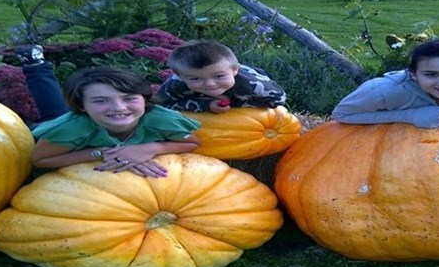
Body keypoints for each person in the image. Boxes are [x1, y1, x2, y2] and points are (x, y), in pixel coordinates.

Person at [20, 62, 201, 178]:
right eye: (101, 100)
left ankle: (36, 66)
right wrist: (101, 153)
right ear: (82, 105)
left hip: (93, 119)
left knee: (56, 108)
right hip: (77, 124)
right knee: (53, 110)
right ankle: (36, 67)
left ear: (145, 100)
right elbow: (41, 160)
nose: (118, 107)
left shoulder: (162, 119)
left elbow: (192, 143)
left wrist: (152, 148)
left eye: (129, 98)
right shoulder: (70, 129)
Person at [155, 40, 287, 113]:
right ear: (179, 76)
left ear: (235, 70)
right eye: (195, 79)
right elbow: (162, 105)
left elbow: (278, 100)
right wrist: (206, 104)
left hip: (247, 78)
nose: (209, 84)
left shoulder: (256, 85)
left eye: (219, 76)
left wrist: (234, 103)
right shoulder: (174, 85)